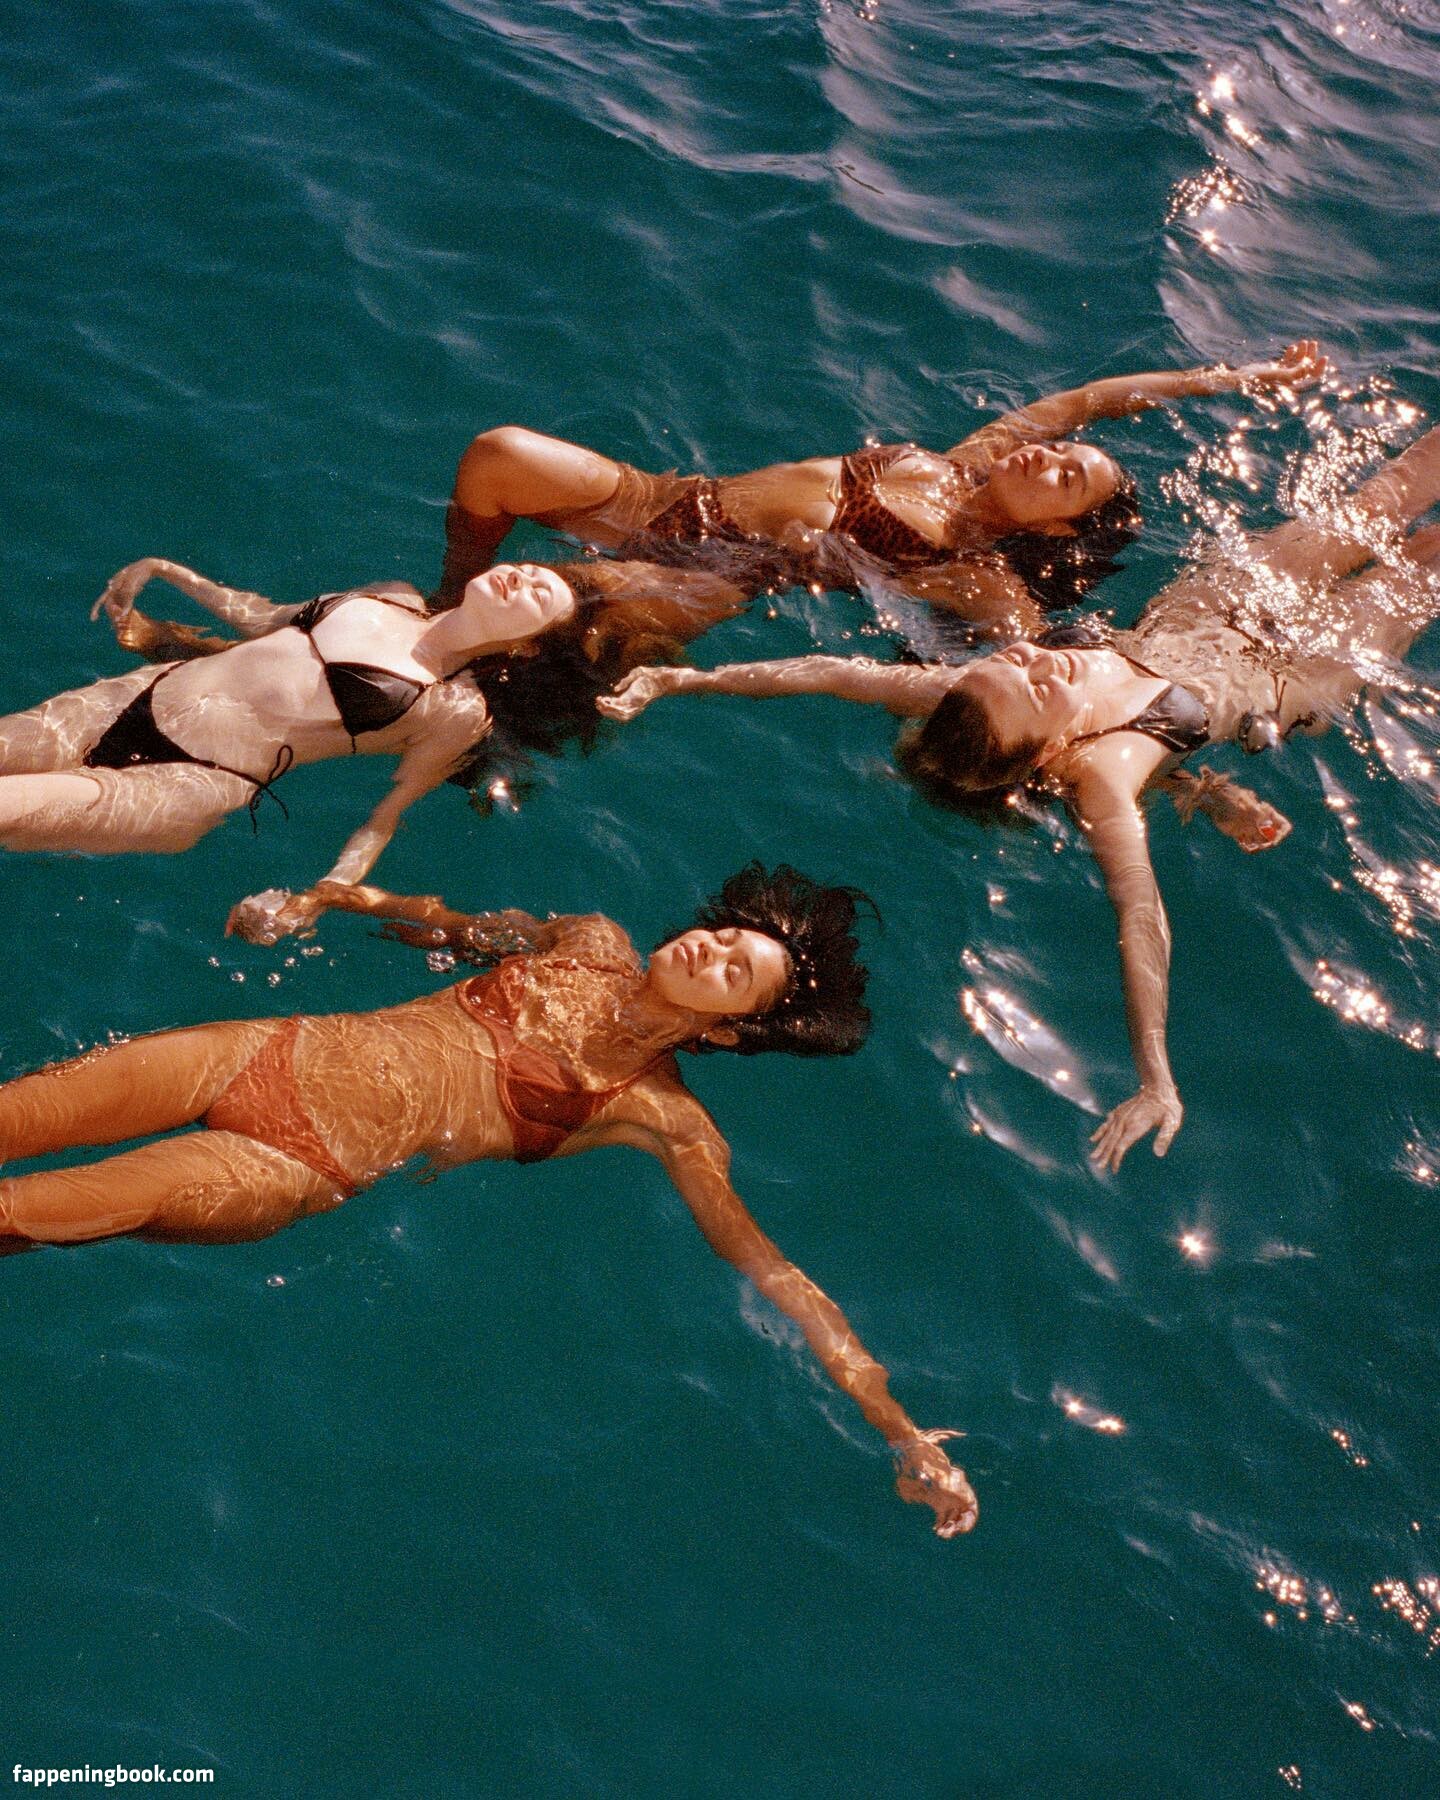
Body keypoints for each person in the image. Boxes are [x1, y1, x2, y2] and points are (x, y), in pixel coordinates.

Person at [0, 864, 978, 1538]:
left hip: (285, 1162)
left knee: (17, 1213)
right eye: (724, 936)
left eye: (736, 973)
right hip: (262, 1047)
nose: (710, 951)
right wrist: (329, 900)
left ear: (729, 1032)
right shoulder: (590, 940)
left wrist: (899, 1430)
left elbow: (775, 1274)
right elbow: (456, 925)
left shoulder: (659, 1114)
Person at [599, 420, 1440, 1170]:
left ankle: (1203, 787)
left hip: (1208, 610)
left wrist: (679, 680)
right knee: (1423, 569)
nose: (1040, 659)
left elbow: (833, 672)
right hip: (1293, 677)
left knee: (1388, 494)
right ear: (1055, 747)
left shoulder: (978, 689)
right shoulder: (1106, 772)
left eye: (1019, 661)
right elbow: (1139, 916)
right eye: (1039, 686)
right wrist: (1156, 1077)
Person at [0, 550, 753, 943]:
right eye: (531, 571)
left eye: (539, 596)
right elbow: (262, 619)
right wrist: (165, 571)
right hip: (128, 698)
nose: (525, 577)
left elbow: (385, 817)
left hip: (187, 782)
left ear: (526, 647)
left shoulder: (453, 711)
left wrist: (317, 899)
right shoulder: (387, 596)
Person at [439, 343, 1327, 630]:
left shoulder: (971, 567)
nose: (1048, 457)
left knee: (524, 625)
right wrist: (1240, 378)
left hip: (702, 577)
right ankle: (449, 580)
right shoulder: (964, 459)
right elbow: (1088, 399)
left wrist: (1196, 783)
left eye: (1067, 481)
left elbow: (1034, 648)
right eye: (1062, 454)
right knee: (496, 454)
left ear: (1058, 532)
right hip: (663, 500)